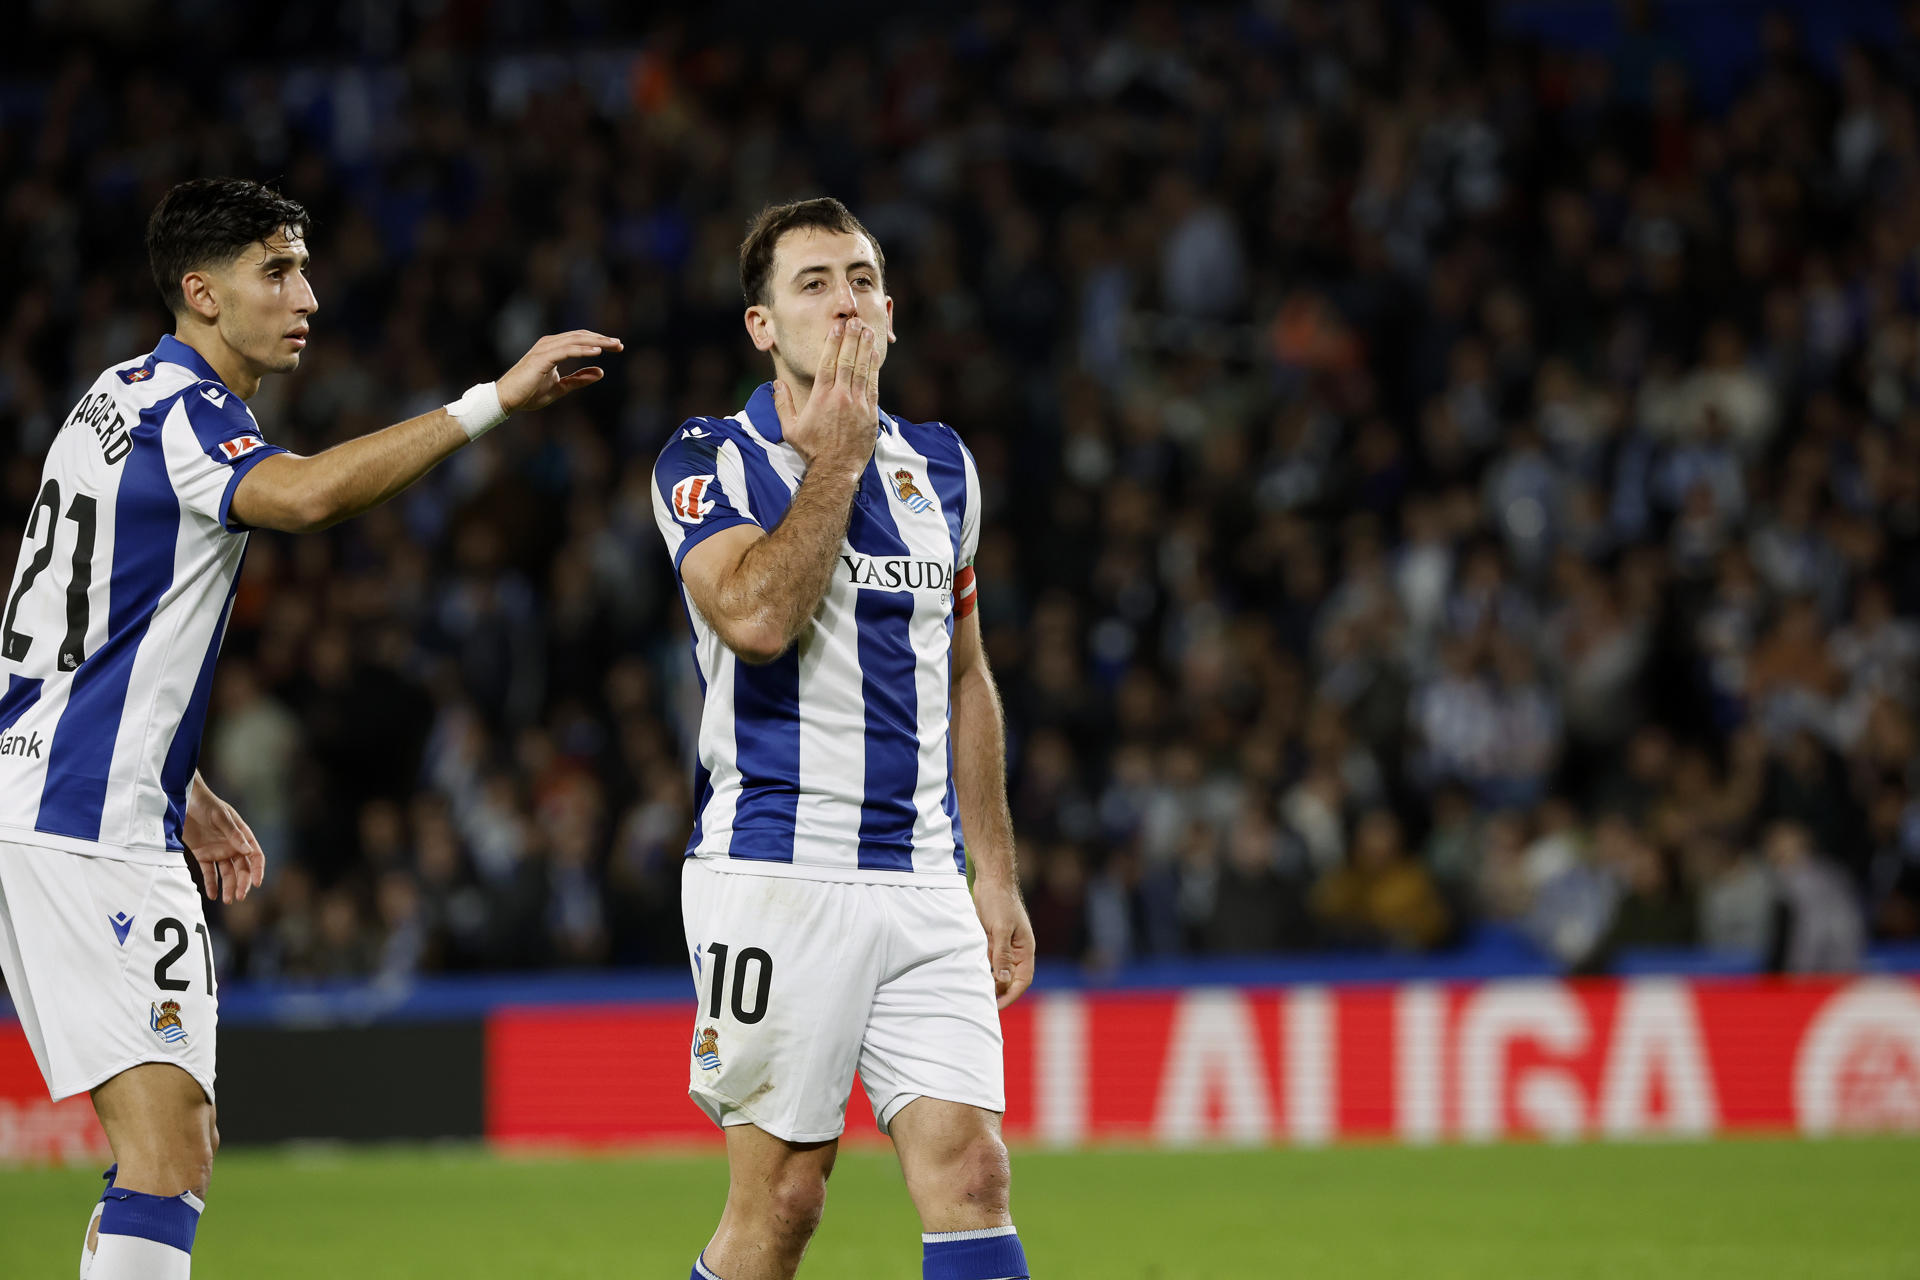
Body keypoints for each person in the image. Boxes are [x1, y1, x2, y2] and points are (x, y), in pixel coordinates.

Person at [0, 177, 620, 1279]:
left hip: (61, 790)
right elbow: (306, 498)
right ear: (201, 292)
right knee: (166, 1152)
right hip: (86, 820)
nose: (309, 297)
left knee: (165, 1151)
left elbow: (71, 623)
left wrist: (181, 784)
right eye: (276, 271)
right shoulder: (193, 413)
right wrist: (494, 401)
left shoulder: (114, 394)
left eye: (304, 267)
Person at [652, 197, 1035, 1280]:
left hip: (920, 875)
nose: (845, 299)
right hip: (778, 867)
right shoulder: (709, 457)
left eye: (861, 279)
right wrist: (840, 458)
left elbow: (965, 673)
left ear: (893, 313)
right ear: (761, 327)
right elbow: (759, 619)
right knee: (782, 1201)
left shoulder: (943, 467)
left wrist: (993, 870)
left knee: (972, 1175)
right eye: (812, 283)